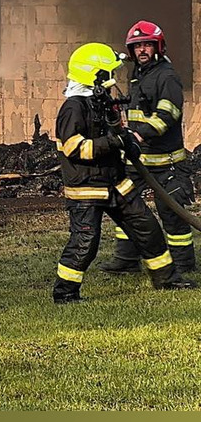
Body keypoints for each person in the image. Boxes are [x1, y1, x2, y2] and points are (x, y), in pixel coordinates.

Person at [52, 42, 194, 304]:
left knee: (147, 228)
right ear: (94, 75)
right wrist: (113, 143)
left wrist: (127, 140)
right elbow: (73, 148)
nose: (113, 79)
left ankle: (167, 278)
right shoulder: (73, 108)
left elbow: (116, 133)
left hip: (115, 181)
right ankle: (66, 293)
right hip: (87, 188)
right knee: (85, 242)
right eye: (108, 74)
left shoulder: (100, 101)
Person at [99, 21, 196, 273]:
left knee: (172, 213)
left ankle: (184, 266)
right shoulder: (138, 75)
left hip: (167, 163)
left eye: (147, 45)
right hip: (137, 161)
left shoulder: (167, 76)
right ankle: (126, 260)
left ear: (158, 47)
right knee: (126, 209)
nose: (142, 50)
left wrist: (139, 134)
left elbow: (168, 113)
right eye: (138, 46)